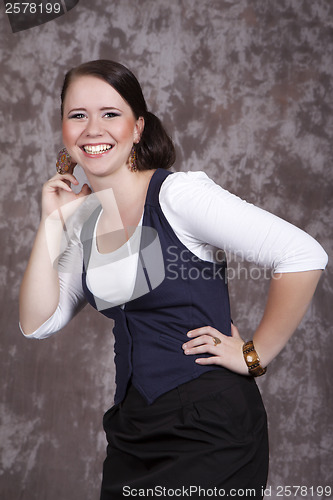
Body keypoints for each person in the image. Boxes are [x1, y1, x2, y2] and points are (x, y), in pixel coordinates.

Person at [19, 60, 328, 500]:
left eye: (110, 113)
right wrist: (51, 225)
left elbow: (302, 254)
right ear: (64, 131)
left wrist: (253, 356)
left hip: (210, 428)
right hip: (132, 433)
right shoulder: (82, 219)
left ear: (138, 127)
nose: (93, 129)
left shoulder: (177, 195)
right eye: (77, 115)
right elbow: (37, 321)